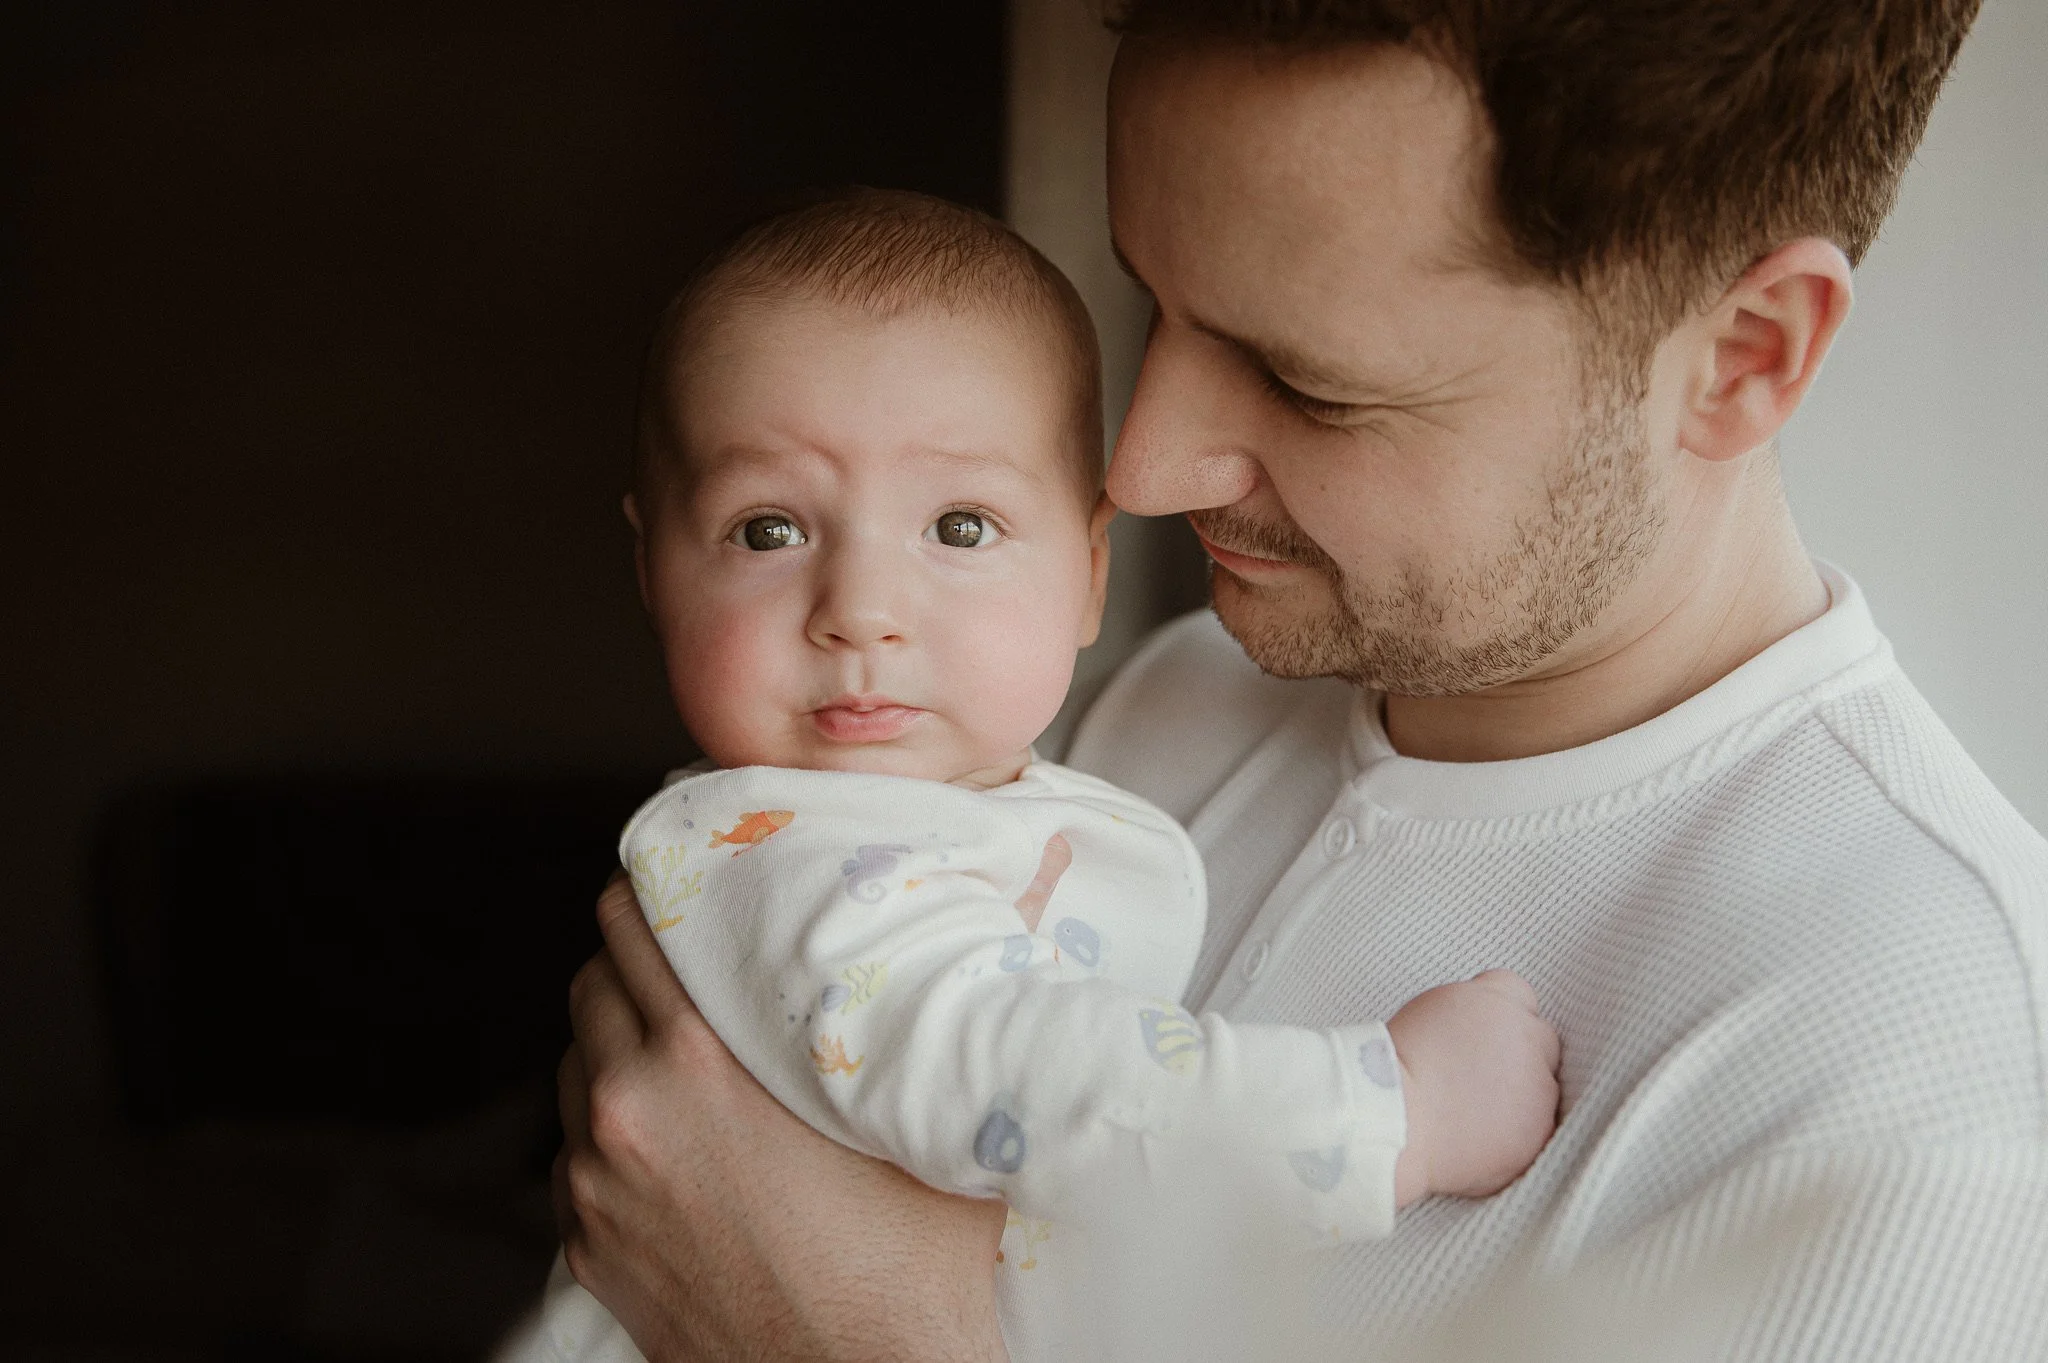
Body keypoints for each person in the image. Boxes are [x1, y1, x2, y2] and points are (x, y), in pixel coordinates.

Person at [550, 4, 2048, 1360]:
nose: (1141, 467)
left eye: (1308, 380)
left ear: (1743, 357)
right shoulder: (1169, 701)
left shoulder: (1929, 1097)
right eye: (1156, 306)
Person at [504, 190, 1560, 1363]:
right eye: (768, 529)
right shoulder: (800, 866)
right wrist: (1385, 1115)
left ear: (1089, 575)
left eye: (957, 527)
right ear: (653, 569)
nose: (859, 609)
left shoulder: (988, 790)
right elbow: (1043, 1086)